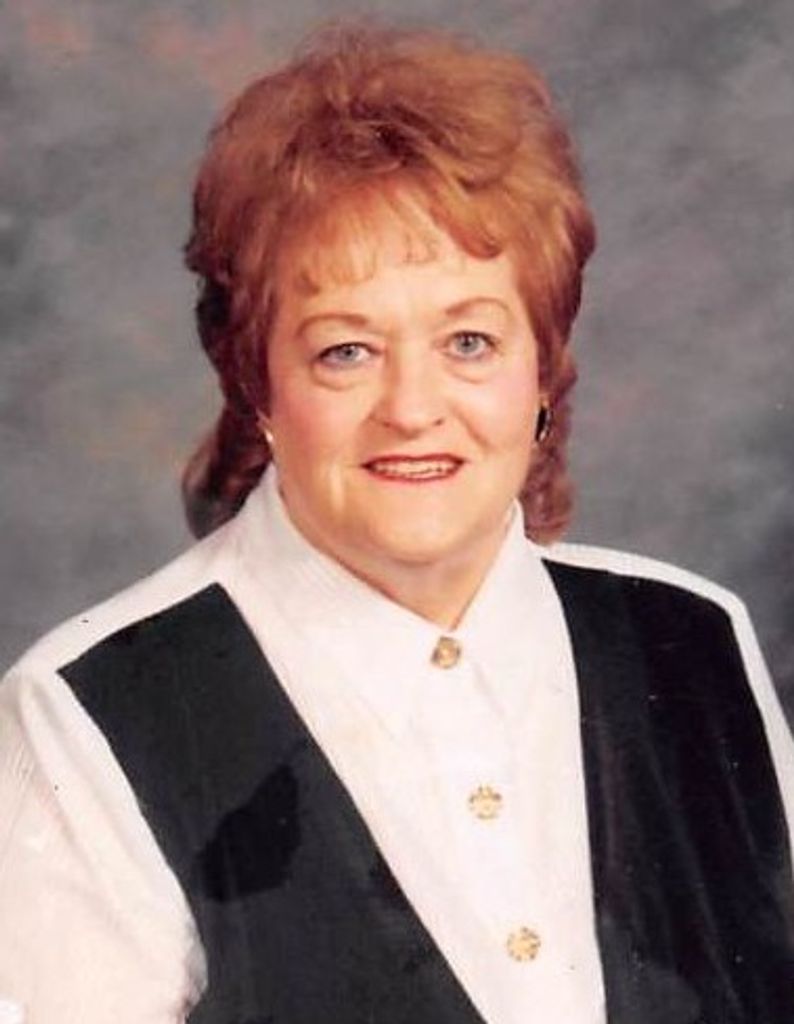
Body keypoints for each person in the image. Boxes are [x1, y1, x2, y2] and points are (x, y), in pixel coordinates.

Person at [0, 23, 792, 1024]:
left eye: (469, 341)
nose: (413, 408)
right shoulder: (84, 715)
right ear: (256, 385)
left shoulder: (694, 641)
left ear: (541, 372)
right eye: (346, 351)